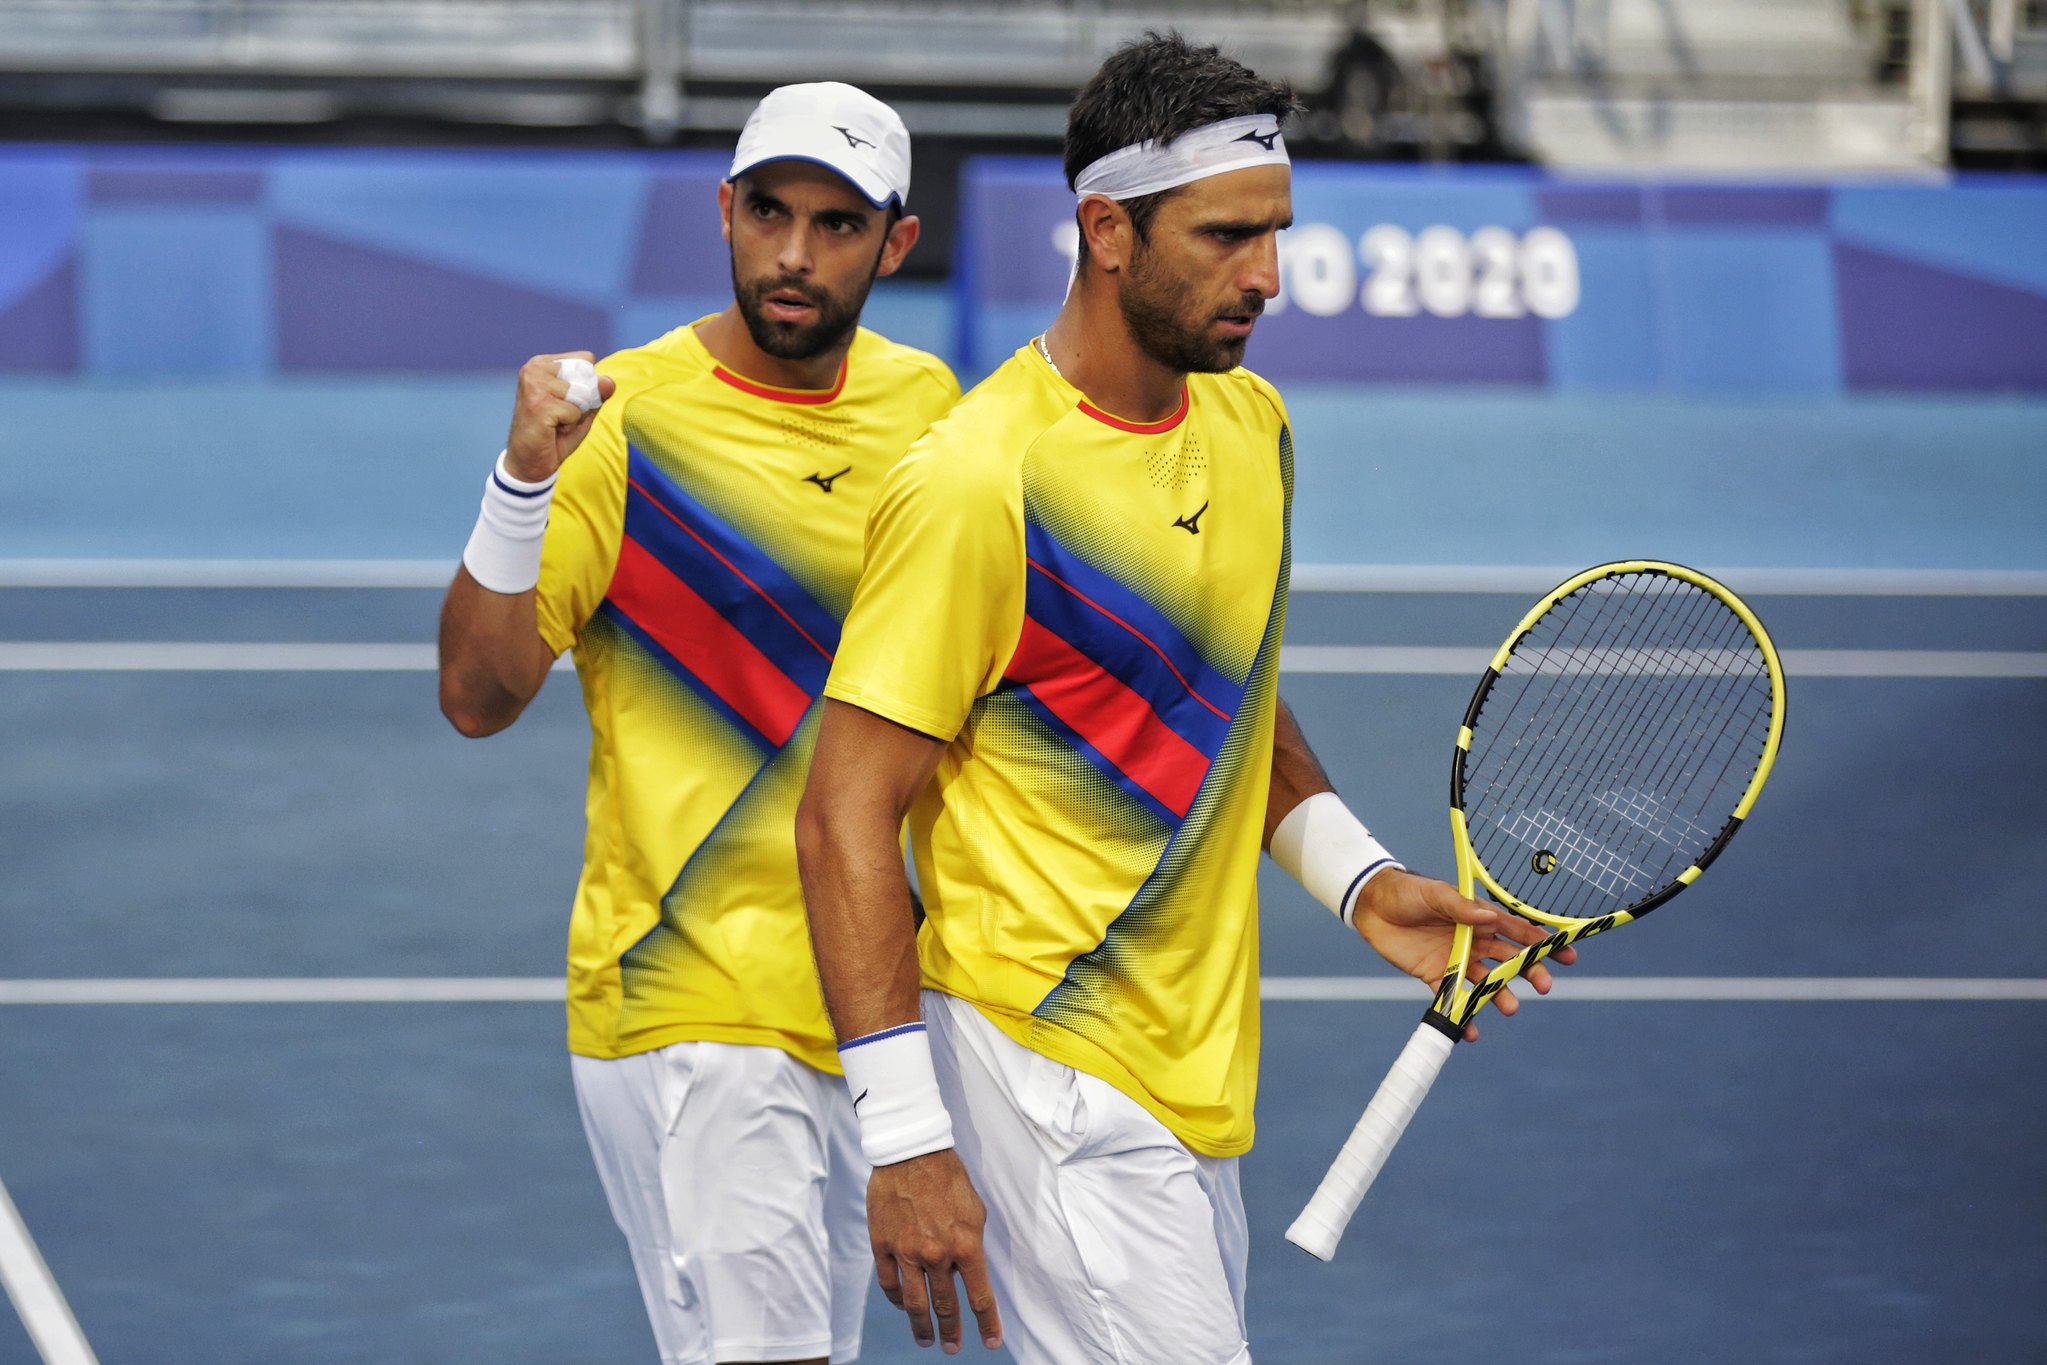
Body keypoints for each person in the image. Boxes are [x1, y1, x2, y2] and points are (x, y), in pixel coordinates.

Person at [794, 33, 1570, 1364]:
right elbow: (841, 814)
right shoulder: (979, 482)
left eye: (1273, 234)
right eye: (1223, 237)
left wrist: (1361, 880)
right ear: (1106, 231)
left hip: (1189, 1081)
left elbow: (1220, 700)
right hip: (1050, 1072)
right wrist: (905, 1138)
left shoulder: (1248, 428)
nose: (1265, 276)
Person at [437, 82, 959, 1365]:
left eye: (838, 225)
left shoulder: (929, 408)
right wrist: (521, 484)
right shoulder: (628, 422)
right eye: (769, 214)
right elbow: (477, 695)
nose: (793, 253)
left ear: (896, 243)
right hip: (691, 1006)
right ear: (723, 213)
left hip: (873, 1008)